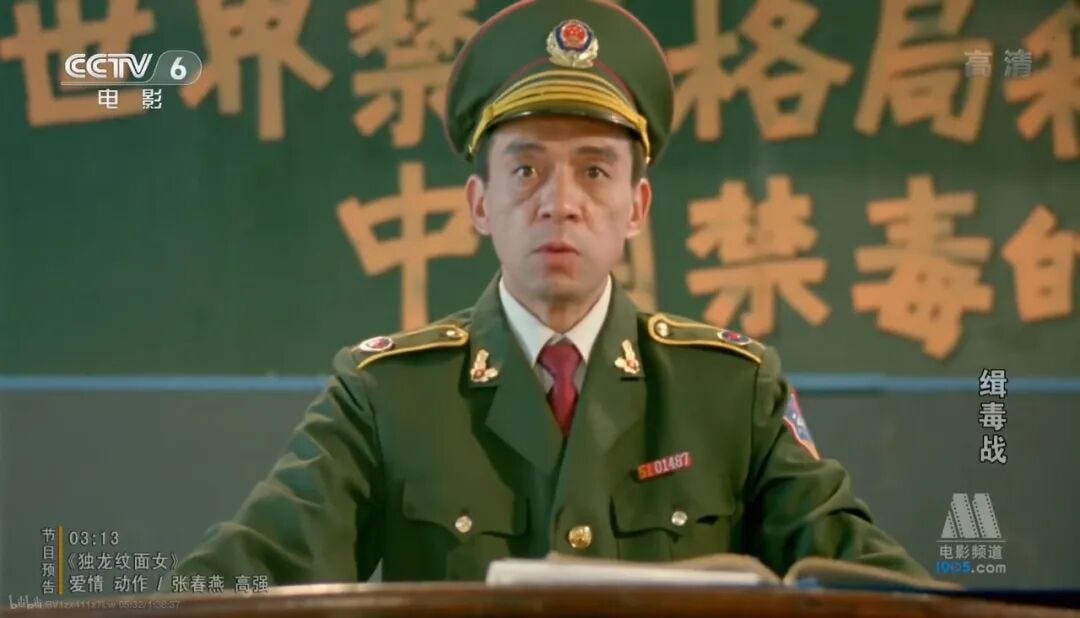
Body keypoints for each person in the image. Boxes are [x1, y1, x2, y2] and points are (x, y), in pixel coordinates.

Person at [175, 0, 930, 584]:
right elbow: (250, 572)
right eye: (526, 170)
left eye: (595, 171)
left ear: (636, 208)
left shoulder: (730, 392)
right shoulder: (388, 396)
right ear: (480, 204)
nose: (559, 203)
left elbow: (860, 573)